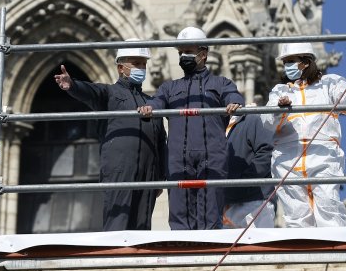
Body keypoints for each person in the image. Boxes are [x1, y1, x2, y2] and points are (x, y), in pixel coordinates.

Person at [54, 40, 167, 231]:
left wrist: (162, 178)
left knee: (142, 227)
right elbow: (91, 92)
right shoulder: (110, 93)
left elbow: (161, 141)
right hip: (120, 171)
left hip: (149, 174)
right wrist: (72, 85)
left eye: (143, 64)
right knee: (118, 225)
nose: (141, 68)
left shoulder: (151, 101)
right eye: (136, 63)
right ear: (121, 68)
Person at [138, 27, 244, 230]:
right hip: (179, 156)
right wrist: (150, 108)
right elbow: (158, 102)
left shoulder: (220, 83)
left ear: (203, 54)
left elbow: (233, 95)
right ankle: (183, 252)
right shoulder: (169, 87)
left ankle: (210, 249)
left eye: (188, 51)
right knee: (179, 208)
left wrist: (234, 103)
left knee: (211, 208)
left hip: (212, 154)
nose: (183, 56)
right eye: (180, 52)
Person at [261, 42, 346, 228]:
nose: (287, 66)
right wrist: (280, 109)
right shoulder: (280, 91)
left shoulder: (329, 83)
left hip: (322, 154)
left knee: (329, 207)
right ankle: (305, 254)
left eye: (291, 61)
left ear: (305, 62)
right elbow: (267, 122)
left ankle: (335, 252)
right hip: (287, 157)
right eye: (285, 62)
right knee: (296, 214)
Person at [223, 104, 276, 229]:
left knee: (258, 245)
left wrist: (244, 182)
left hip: (255, 201)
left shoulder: (253, 118)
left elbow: (266, 152)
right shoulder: (217, 126)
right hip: (227, 202)